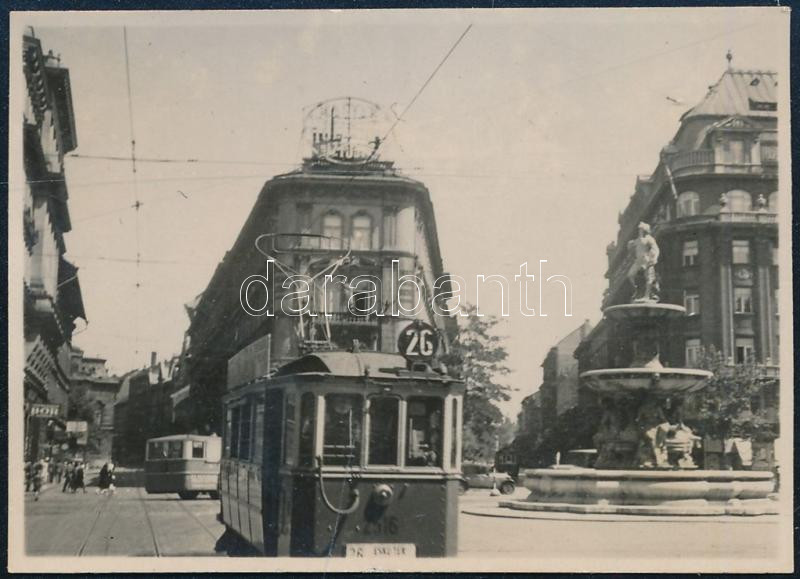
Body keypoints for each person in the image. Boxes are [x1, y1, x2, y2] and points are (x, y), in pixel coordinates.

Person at [626, 222, 660, 301]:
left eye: (641, 229)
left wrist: (654, 259)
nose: (640, 231)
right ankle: (637, 289)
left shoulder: (649, 239)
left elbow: (656, 249)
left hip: (646, 260)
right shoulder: (636, 240)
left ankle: (647, 296)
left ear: (645, 230)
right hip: (638, 261)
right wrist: (630, 246)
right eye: (639, 229)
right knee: (630, 275)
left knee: (649, 278)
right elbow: (631, 251)